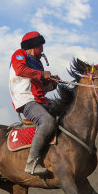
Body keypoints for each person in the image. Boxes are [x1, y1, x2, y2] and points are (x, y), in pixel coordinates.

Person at [9, 31, 59, 177]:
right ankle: (31, 163)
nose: (42, 50)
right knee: (47, 122)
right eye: (41, 47)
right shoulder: (19, 54)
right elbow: (20, 70)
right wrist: (43, 75)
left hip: (41, 100)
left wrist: (52, 83)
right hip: (26, 100)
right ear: (34, 47)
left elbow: (42, 86)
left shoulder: (38, 64)